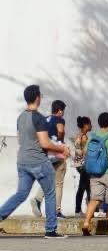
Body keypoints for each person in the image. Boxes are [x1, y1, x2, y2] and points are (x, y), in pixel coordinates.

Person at [0, 85, 70, 239]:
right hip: (39, 161)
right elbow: (45, 143)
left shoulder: (20, 117)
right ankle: (51, 230)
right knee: (50, 193)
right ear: (38, 97)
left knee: (20, 194)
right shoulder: (38, 118)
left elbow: (20, 139)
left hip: (22, 161)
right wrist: (61, 149)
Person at [81, 112, 108, 236]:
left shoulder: (93, 137)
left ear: (99, 123)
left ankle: (86, 223)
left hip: (95, 173)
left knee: (94, 199)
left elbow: (85, 153)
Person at [31, 100, 68, 218]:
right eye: (63, 111)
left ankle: (37, 199)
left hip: (46, 153)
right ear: (60, 110)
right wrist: (61, 140)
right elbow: (61, 130)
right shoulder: (59, 120)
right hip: (57, 153)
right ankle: (57, 211)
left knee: (48, 180)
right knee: (59, 183)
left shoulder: (44, 119)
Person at [74, 116, 92, 217]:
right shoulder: (84, 137)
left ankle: (89, 209)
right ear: (85, 125)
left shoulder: (79, 135)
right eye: (90, 123)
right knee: (83, 187)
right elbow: (86, 152)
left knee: (87, 187)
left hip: (79, 165)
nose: (91, 126)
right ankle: (78, 210)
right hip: (84, 165)